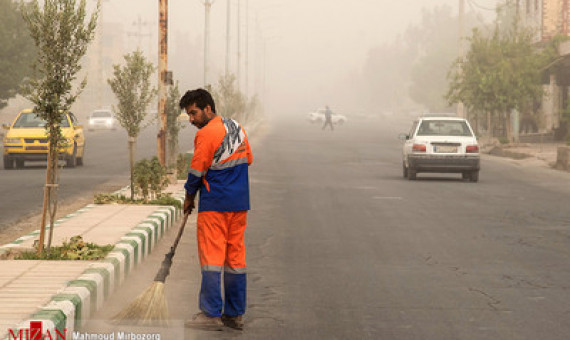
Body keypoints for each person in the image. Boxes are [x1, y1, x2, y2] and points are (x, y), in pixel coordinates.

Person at [179, 88, 253, 331]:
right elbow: (248, 159)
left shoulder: (207, 134)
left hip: (215, 206)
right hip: (239, 205)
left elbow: (196, 171)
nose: (191, 119)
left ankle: (210, 314)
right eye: (189, 115)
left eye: (193, 113)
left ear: (208, 109)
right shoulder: (237, 128)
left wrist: (189, 197)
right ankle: (234, 314)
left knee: (211, 258)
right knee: (235, 259)